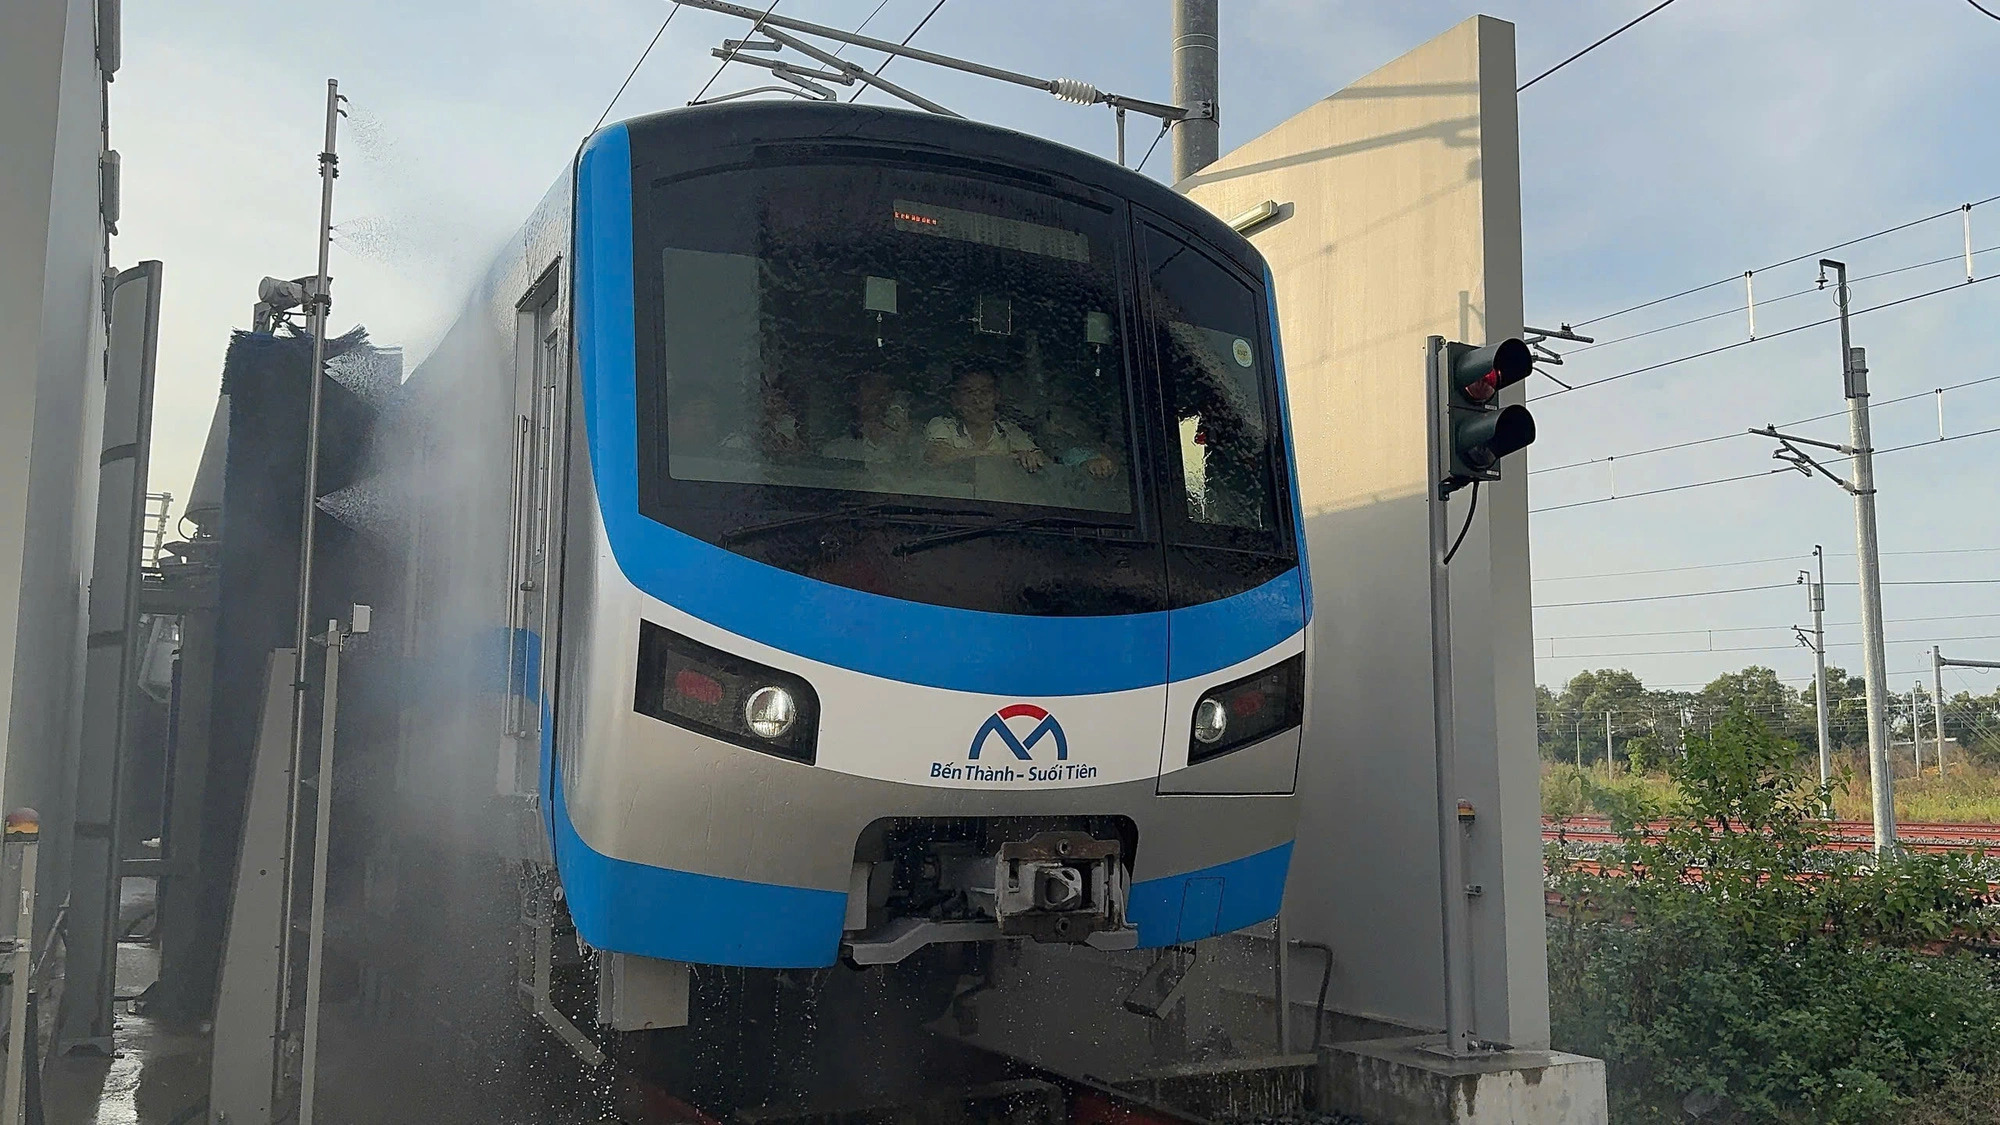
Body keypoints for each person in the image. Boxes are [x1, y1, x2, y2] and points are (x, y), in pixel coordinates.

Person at [923, 368, 1047, 473]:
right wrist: (1010, 458)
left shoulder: (1011, 431)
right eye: (969, 392)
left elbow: (1043, 462)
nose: (978, 400)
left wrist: (1030, 458)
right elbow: (937, 456)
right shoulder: (942, 425)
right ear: (955, 400)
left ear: (996, 397)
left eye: (985, 392)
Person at [820, 372, 910, 463]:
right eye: (870, 384)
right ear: (855, 396)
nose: (878, 392)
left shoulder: (913, 448)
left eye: (886, 387)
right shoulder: (837, 452)